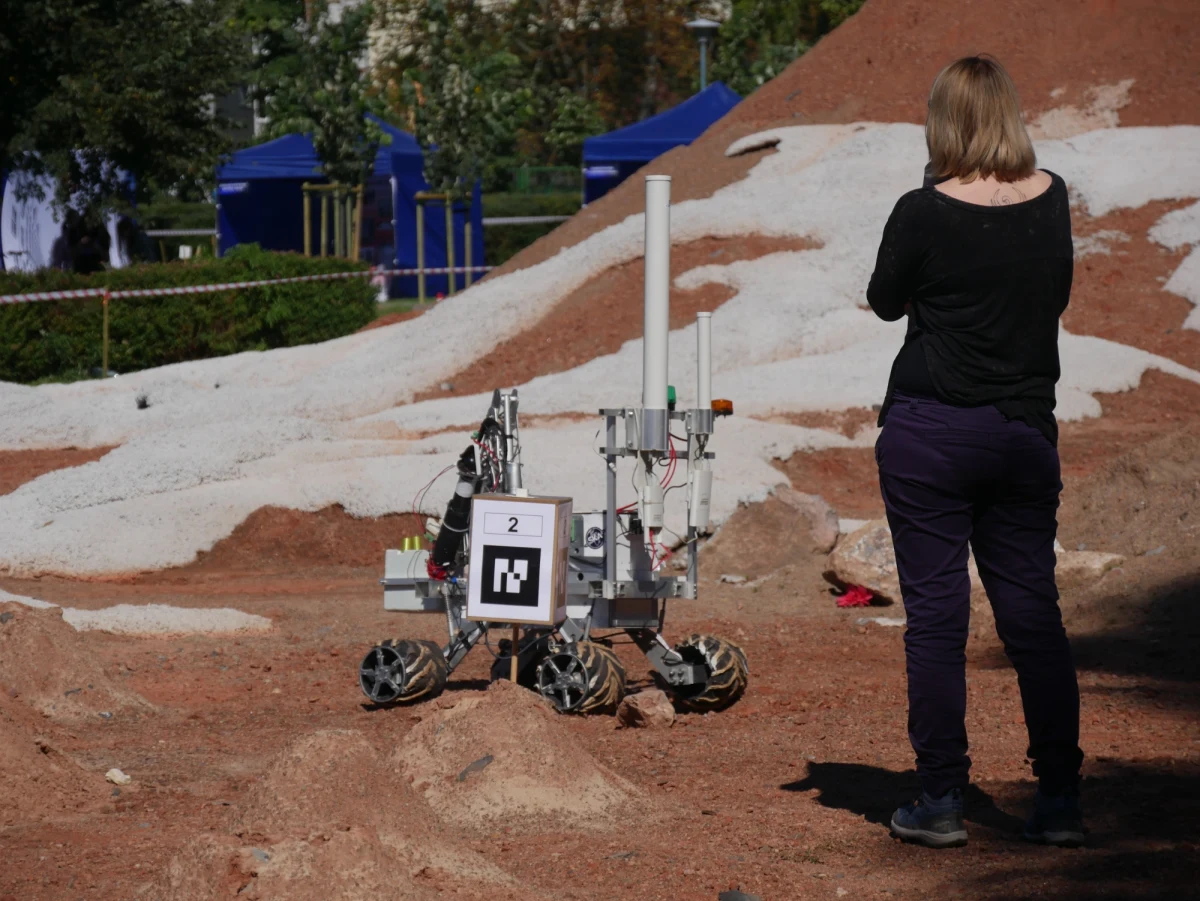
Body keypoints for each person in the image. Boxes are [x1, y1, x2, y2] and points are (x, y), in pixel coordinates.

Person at [867, 55, 1084, 850]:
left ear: (944, 123)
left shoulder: (922, 210)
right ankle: (1060, 798)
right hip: (1025, 430)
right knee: (1034, 618)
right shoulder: (1052, 197)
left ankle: (941, 797)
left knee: (936, 622)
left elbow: (886, 300)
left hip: (932, 429)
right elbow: (1053, 295)